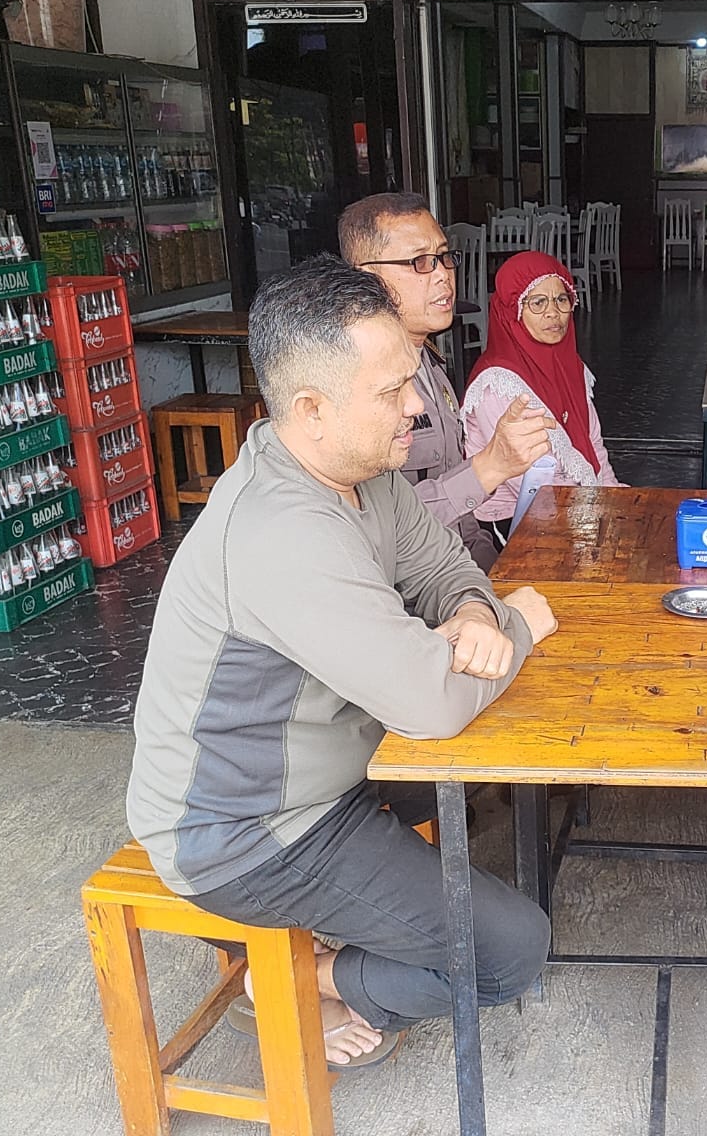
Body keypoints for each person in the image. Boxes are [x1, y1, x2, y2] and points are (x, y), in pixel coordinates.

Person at [127, 255, 556, 1069]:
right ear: (312, 408)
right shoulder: (284, 530)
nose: (416, 407)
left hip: (332, 767)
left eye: (413, 380)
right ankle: (304, 977)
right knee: (511, 951)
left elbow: (443, 570)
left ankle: (337, 940)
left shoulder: (362, 467)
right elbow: (430, 704)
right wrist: (519, 626)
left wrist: (471, 613)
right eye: (393, 391)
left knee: (507, 760)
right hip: (249, 833)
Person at [338, 192, 555, 571]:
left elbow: (464, 527)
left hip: (459, 574)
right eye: (419, 262)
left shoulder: (430, 364)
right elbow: (375, 529)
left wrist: (496, 580)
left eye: (443, 257)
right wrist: (490, 466)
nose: (442, 274)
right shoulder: (353, 387)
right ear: (366, 277)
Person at [461, 251, 623, 534]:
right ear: (513, 311)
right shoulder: (498, 382)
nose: (553, 312)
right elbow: (529, 483)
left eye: (562, 299)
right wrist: (596, 511)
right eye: (537, 302)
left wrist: (615, 498)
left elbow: (594, 446)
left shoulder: (570, 366)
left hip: (572, 503)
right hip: (512, 517)